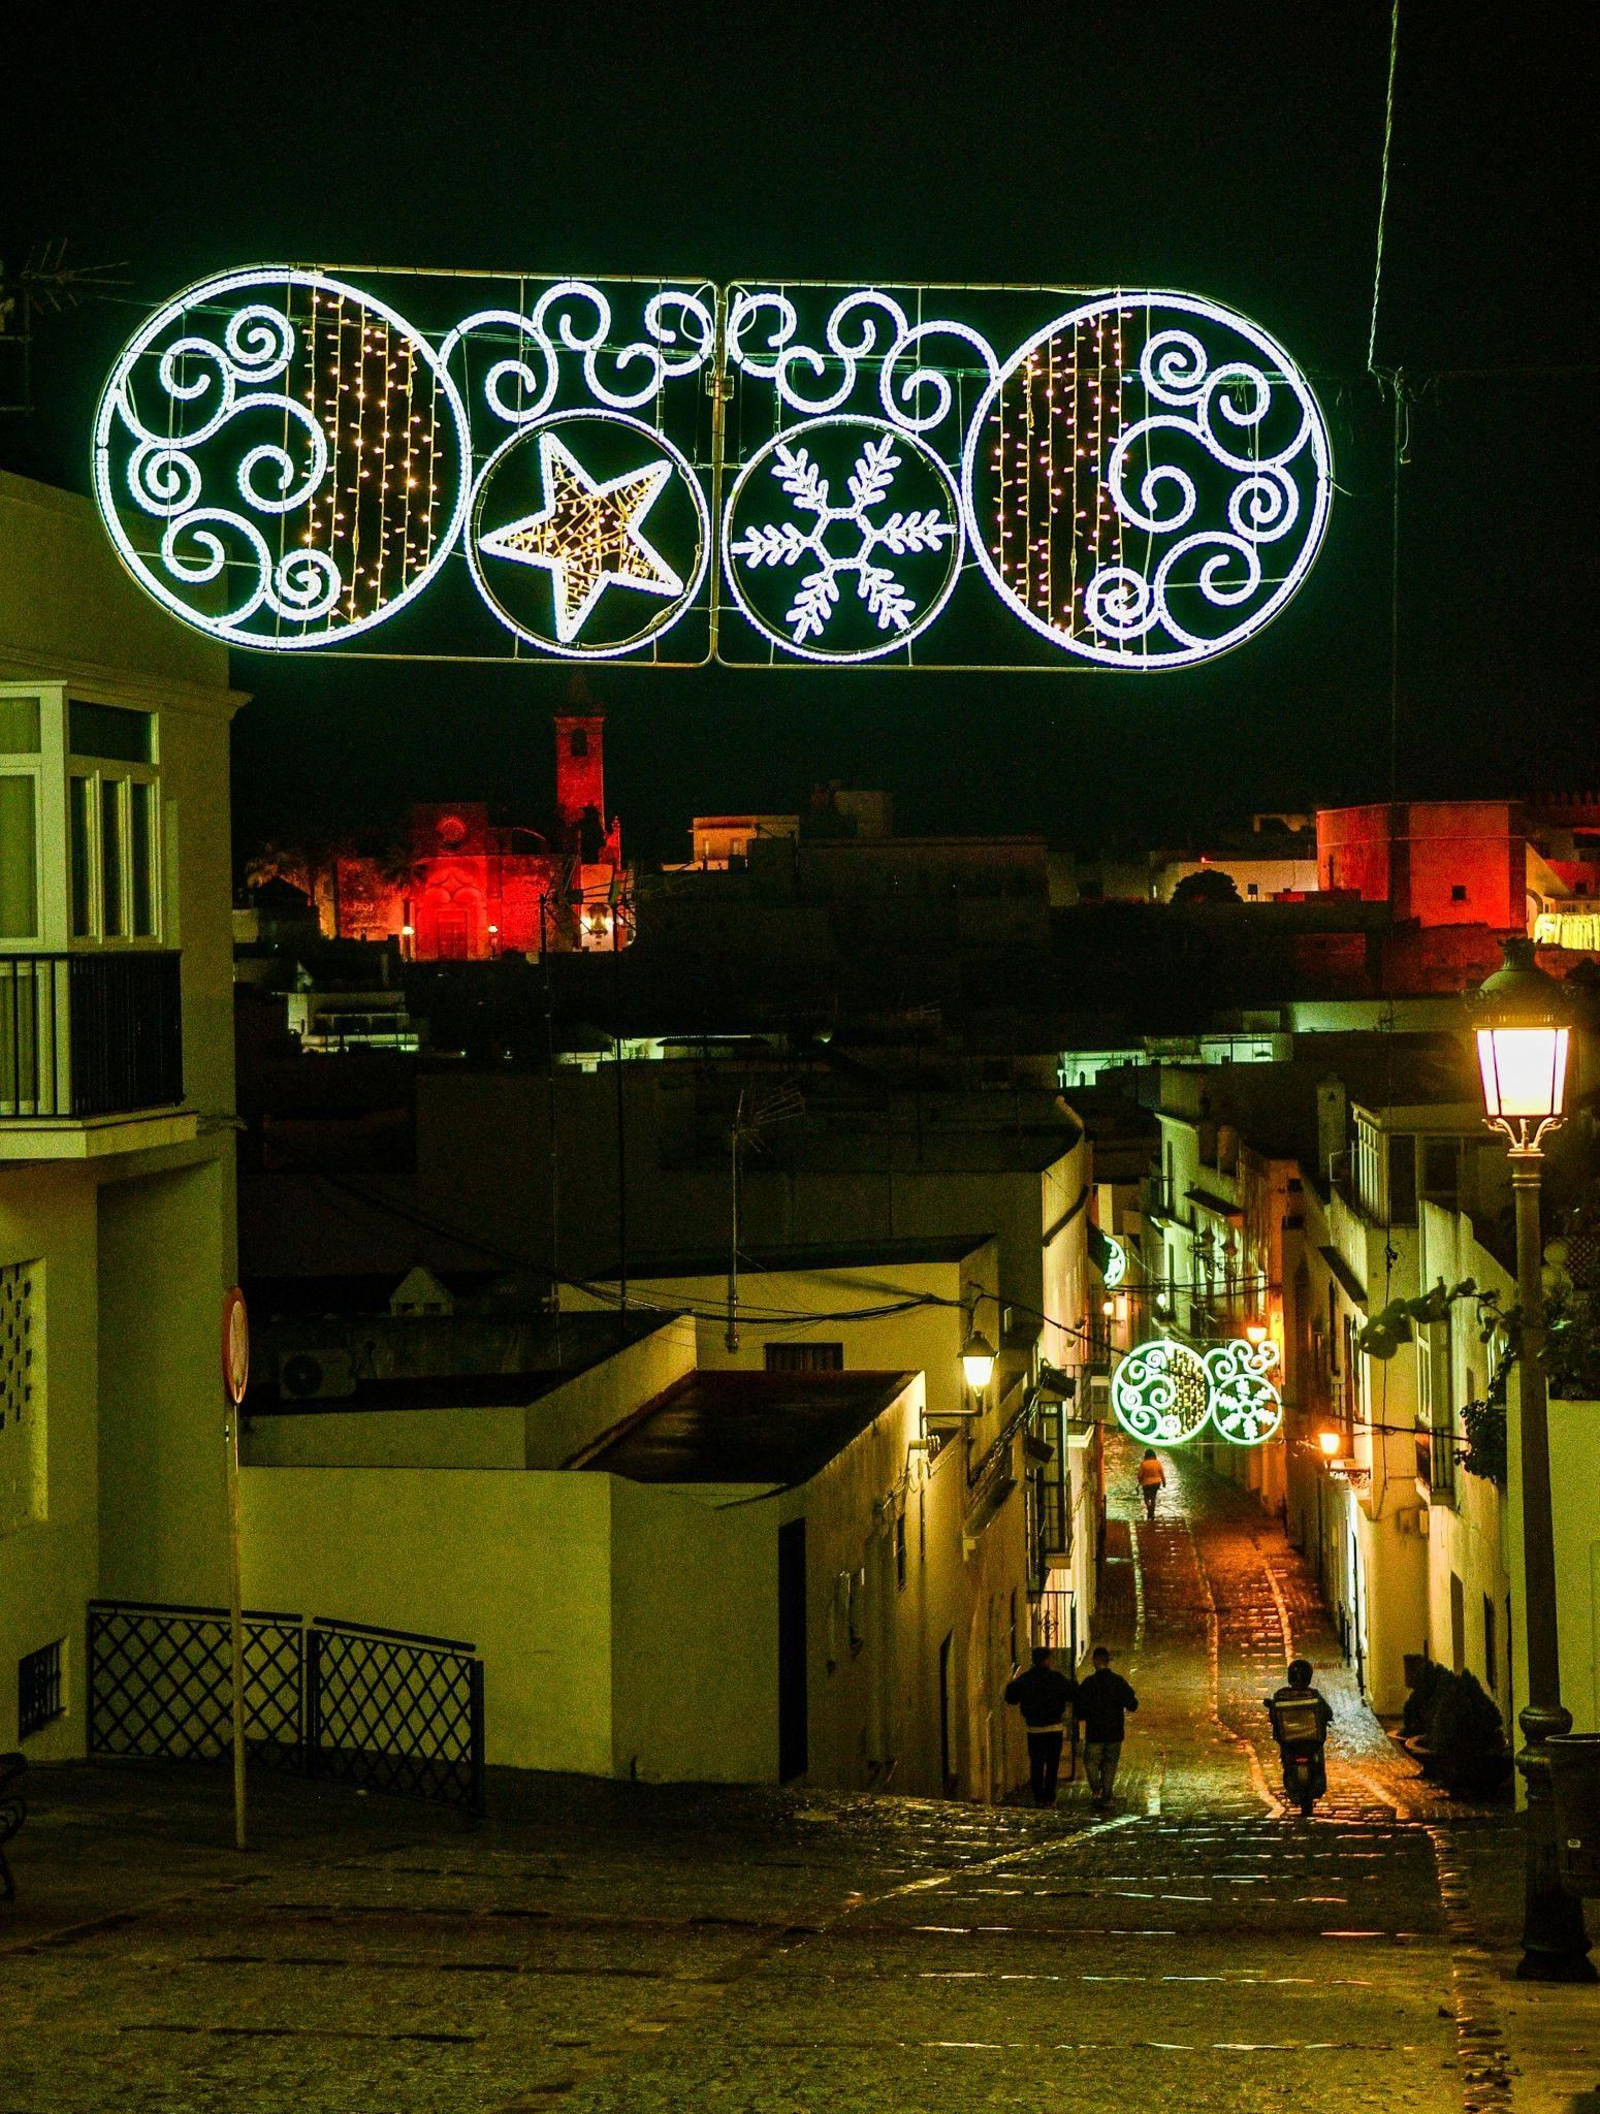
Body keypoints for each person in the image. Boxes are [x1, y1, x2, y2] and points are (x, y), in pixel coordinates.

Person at [1004, 1646, 1075, 1808]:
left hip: (1034, 1729)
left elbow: (1011, 1698)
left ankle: (1038, 1797)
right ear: (1047, 1660)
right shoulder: (1057, 1678)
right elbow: (1071, 1694)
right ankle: (1050, 1797)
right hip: (1054, 1728)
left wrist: (1012, 1683)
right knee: (1052, 1764)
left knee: (1036, 1763)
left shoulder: (1025, 1679)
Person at [1074, 1645, 1138, 1809]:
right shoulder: (1118, 1682)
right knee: (1110, 1763)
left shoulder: (1089, 1683)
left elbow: (1079, 1709)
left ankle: (1097, 1790)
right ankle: (1107, 1794)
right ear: (1108, 1661)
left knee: (1091, 1763)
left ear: (1095, 1661)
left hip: (1094, 1732)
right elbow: (1132, 1704)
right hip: (1114, 1732)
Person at [1270, 1657, 1333, 1733]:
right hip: (1313, 1740)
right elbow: (1328, 1714)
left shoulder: (1280, 1695)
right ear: (1309, 1678)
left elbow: (1273, 1718)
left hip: (1287, 1740)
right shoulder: (1314, 1694)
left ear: (1289, 1678)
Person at [1136, 1449, 1166, 1521]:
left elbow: (1140, 1475)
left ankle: (1149, 1510)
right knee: (1153, 1498)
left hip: (1146, 1483)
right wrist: (1164, 1482)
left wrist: (1140, 1481)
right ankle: (1152, 1513)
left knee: (1146, 1498)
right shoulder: (1158, 1463)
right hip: (1156, 1483)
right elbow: (1161, 1474)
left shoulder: (1143, 1464)